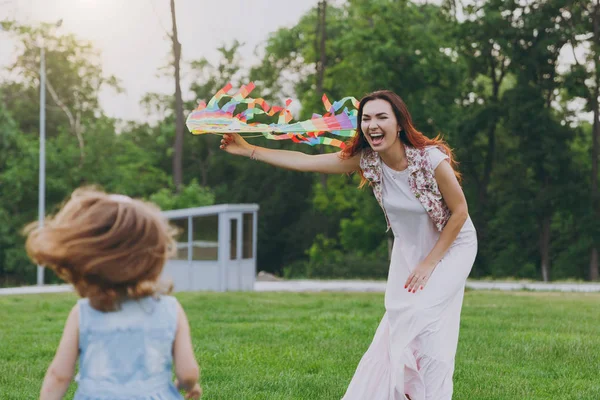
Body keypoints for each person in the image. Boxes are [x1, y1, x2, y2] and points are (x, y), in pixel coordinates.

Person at [219, 90, 477, 400]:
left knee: (420, 318)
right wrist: (249, 149)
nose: (373, 124)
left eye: (382, 117)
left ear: (399, 124)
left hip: (453, 246)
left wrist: (430, 263)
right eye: (366, 118)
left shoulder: (430, 159)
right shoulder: (368, 161)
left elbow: (460, 213)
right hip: (409, 251)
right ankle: (402, 392)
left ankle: (424, 392)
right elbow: (305, 162)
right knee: (399, 323)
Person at [25, 188, 202, 400]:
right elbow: (188, 372)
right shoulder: (171, 310)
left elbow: (59, 376)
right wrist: (187, 385)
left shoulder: (84, 313)